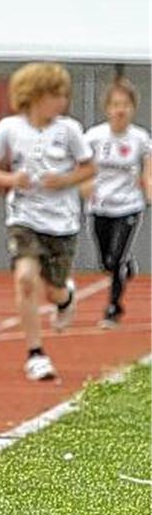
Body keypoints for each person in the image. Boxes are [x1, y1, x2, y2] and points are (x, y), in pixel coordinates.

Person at [0, 63, 95, 380]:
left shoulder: (69, 130)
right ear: (36, 95)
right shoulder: (10, 129)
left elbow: (88, 168)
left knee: (53, 290)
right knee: (25, 278)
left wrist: (65, 179)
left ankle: (65, 297)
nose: (62, 101)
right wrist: (12, 178)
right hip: (24, 217)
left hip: (62, 222)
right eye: (56, 94)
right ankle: (35, 353)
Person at [83, 79, 151, 329]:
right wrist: (84, 186)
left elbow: (147, 169)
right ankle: (125, 267)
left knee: (118, 256)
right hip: (100, 205)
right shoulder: (94, 137)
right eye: (115, 104)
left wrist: (148, 191)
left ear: (133, 108)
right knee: (107, 261)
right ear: (107, 108)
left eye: (125, 104)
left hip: (128, 205)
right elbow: (80, 166)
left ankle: (113, 309)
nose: (120, 110)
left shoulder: (139, 138)